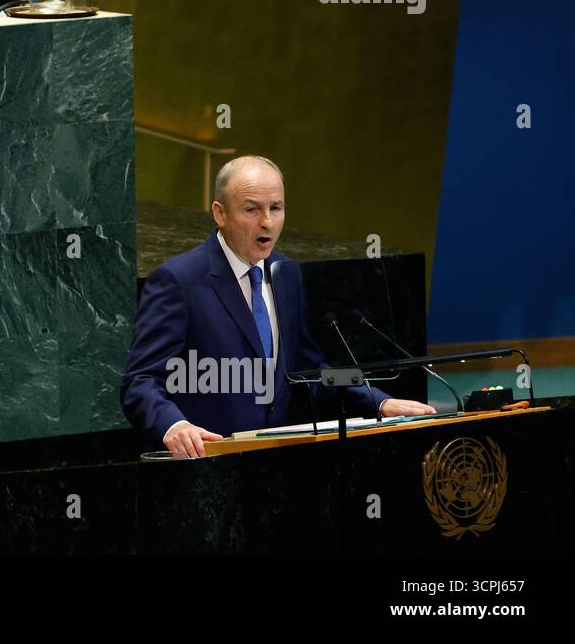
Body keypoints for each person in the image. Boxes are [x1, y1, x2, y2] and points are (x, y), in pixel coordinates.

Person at [120, 155, 435, 457]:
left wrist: (376, 401)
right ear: (220, 213)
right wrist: (174, 425)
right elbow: (141, 381)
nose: (267, 222)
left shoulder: (286, 274)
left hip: (277, 465)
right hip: (206, 466)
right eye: (251, 210)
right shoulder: (179, 280)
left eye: (276, 208)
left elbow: (308, 371)